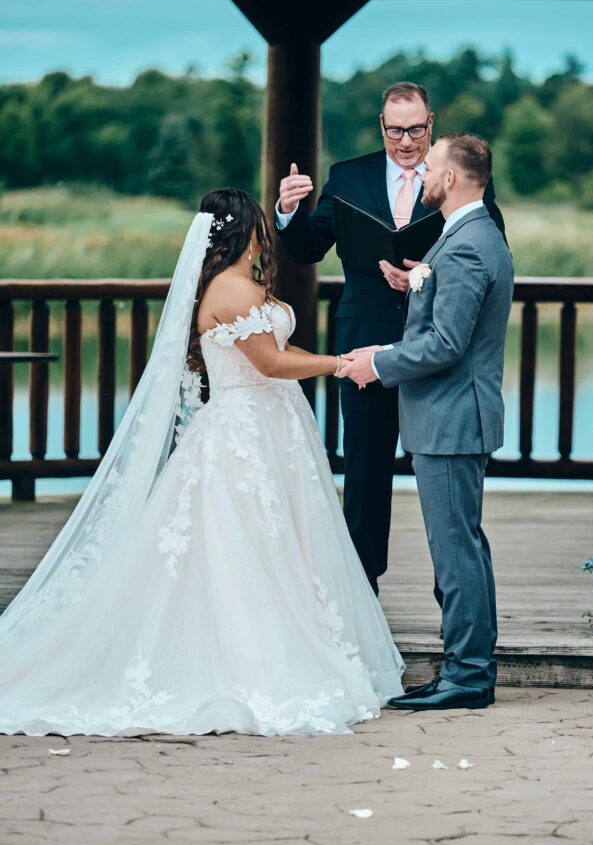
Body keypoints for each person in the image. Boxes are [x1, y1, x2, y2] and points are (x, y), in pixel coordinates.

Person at [0, 188, 404, 738]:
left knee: (279, 544)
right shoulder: (232, 288)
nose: (267, 237)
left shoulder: (245, 283)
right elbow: (269, 362)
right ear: (246, 230)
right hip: (244, 434)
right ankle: (248, 664)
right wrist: (342, 363)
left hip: (271, 430)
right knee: (244, 547)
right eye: (261, 225)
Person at [275, 82, 505, 596]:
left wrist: (428, 275)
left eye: (417, 129)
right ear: (381, 125)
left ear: (432, 122)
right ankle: (362, 591)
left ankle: (452, 592)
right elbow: (310, 248)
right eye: (396, 129)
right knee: (365, 471)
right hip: (364, 345)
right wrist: (289, 215)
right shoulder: (348, 177)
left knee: (443, 482)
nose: (406, 141)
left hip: (435, 347)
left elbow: (489, 249)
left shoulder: (458, 179)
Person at [340, 134, 513, 711]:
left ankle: (466, 676)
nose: (422, 176)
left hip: (451, 417)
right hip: (455, 416)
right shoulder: (469, 234)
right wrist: (417, 280)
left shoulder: (464, 246)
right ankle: (467, 668)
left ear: (454, 179)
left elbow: (445, 344)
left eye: (431, 167)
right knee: (465, 546)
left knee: (456, 552)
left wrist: (376, 361)